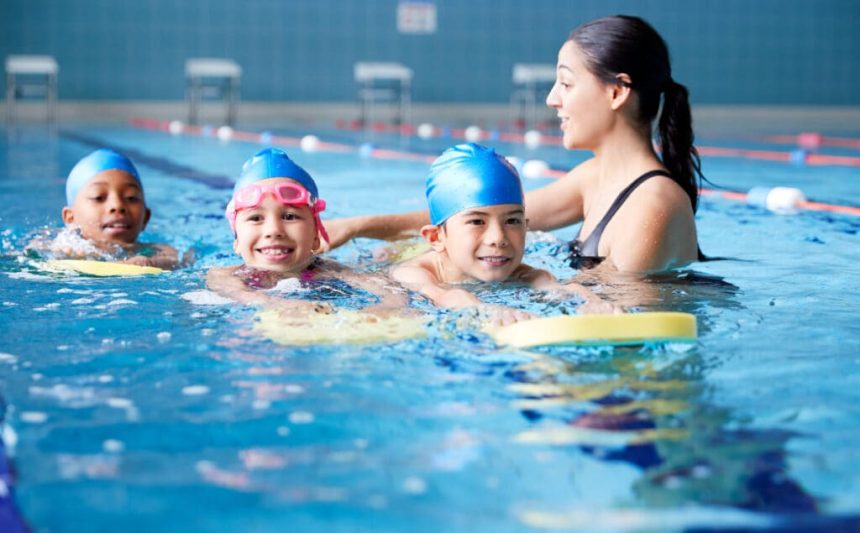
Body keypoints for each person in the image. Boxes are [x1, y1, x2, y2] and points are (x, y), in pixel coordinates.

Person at [321, 15, 703, 274]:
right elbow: (474, 214)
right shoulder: (596, 177)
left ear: (617, 91)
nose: (553, 99)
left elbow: (606, 308)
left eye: (566, 84)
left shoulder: (654, 205)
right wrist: (357, 229)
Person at [390, 143, 612, 324]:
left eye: (512, 221)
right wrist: (482, 309)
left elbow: (556, 288)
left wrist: (590, 301)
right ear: (436, 238)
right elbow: (444, 295)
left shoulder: (527, 274)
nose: (498, 238)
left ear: (526, 227)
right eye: (477, 221)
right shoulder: (412, 274)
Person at [207, 148, 405, 316]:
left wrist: (387, 308)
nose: (273, 230)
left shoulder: (332, 271)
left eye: (290, 216)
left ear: (315, 238)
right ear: (236, 242)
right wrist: (279, 305)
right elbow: (243, 295)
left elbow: (391, 291)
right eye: (256, 218)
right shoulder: (225, 275)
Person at [28, 148, 180, 268]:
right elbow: (29, 256)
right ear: (70, 217)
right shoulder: (64, 246)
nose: (117, 206)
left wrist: (148, 263)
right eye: (98, 197)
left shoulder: (156, 251)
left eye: (131, 197)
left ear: (146, 217)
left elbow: (174, 260)